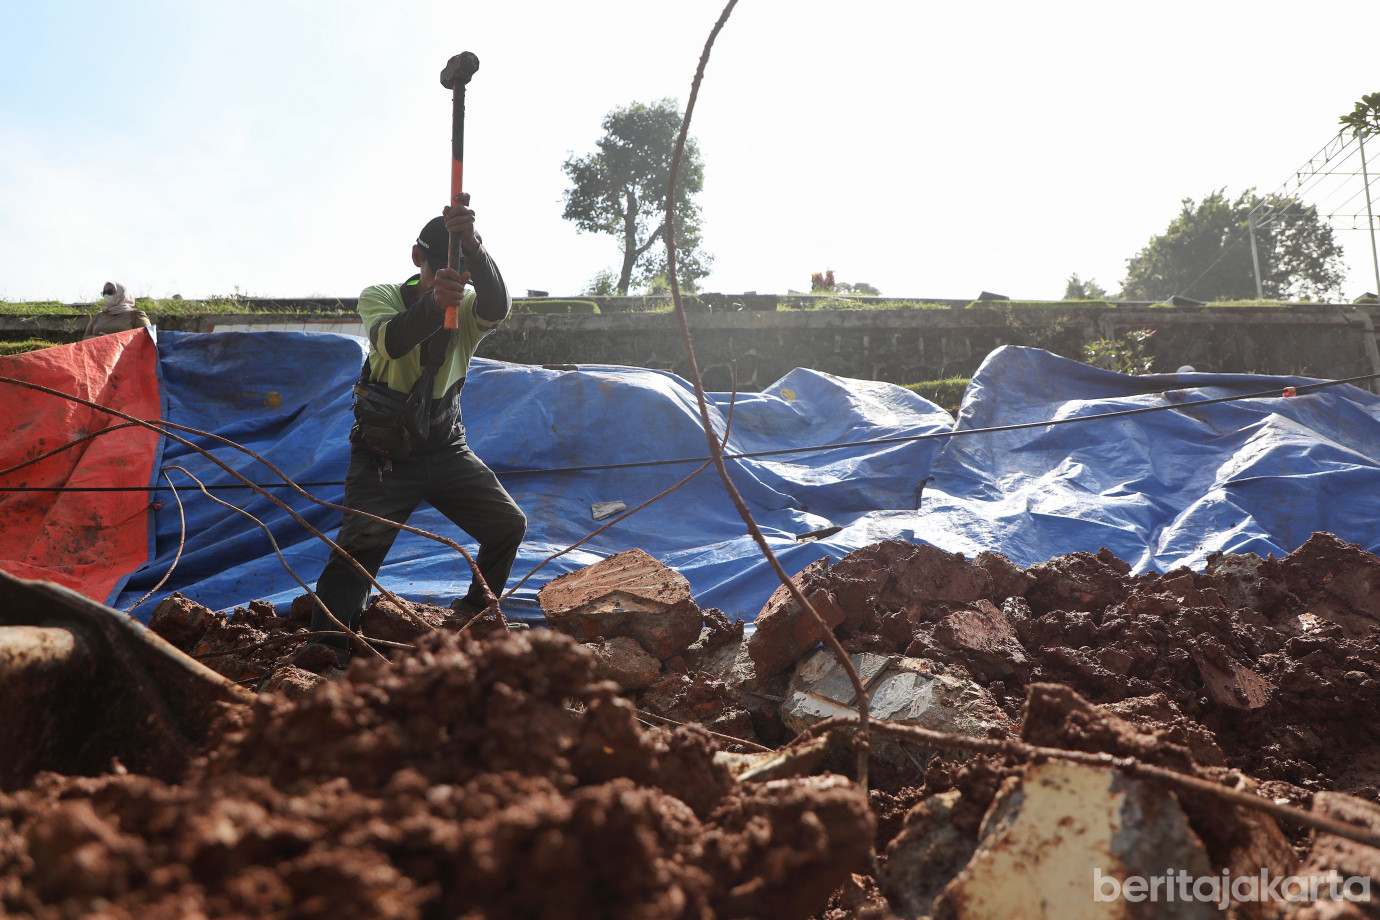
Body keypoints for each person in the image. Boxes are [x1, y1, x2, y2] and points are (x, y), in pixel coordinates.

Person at [303, 194, 526, 668]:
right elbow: (392, 341)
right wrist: (432, 304)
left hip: (445, 449)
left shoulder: (469, 306)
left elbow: (497, 306)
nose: (451, 277)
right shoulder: (380, 296)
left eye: (460, 270)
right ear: (415, 257)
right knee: (358, 547)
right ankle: (329, 645)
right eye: (440, 266)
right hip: (383, 455)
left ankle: (473, 617)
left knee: (507, 525)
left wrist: (475, 247)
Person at [84, 282, 151, 338]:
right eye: (104, 293)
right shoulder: (97, 317)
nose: (106, 295)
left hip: (125, 349)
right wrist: (101, 339)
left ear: (121, 293)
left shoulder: (136, 315)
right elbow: (85, 338)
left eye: (110, 292)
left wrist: (116, 339)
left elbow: (148, 337)